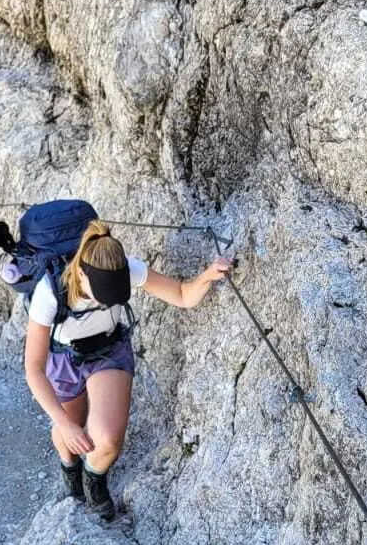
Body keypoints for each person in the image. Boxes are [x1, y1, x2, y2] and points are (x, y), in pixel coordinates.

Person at [23, 219, 232, 520]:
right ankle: (69, 466)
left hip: (109, 351)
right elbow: (33, 368)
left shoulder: (126, 268)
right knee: (70, 430)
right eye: (102, 295)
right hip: (64, 359)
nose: (107, 301)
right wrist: (65, 425)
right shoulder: (49, 293)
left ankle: (94, 479)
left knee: (106, 440)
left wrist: (209, 276)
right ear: (81, 273)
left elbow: (183, 296)